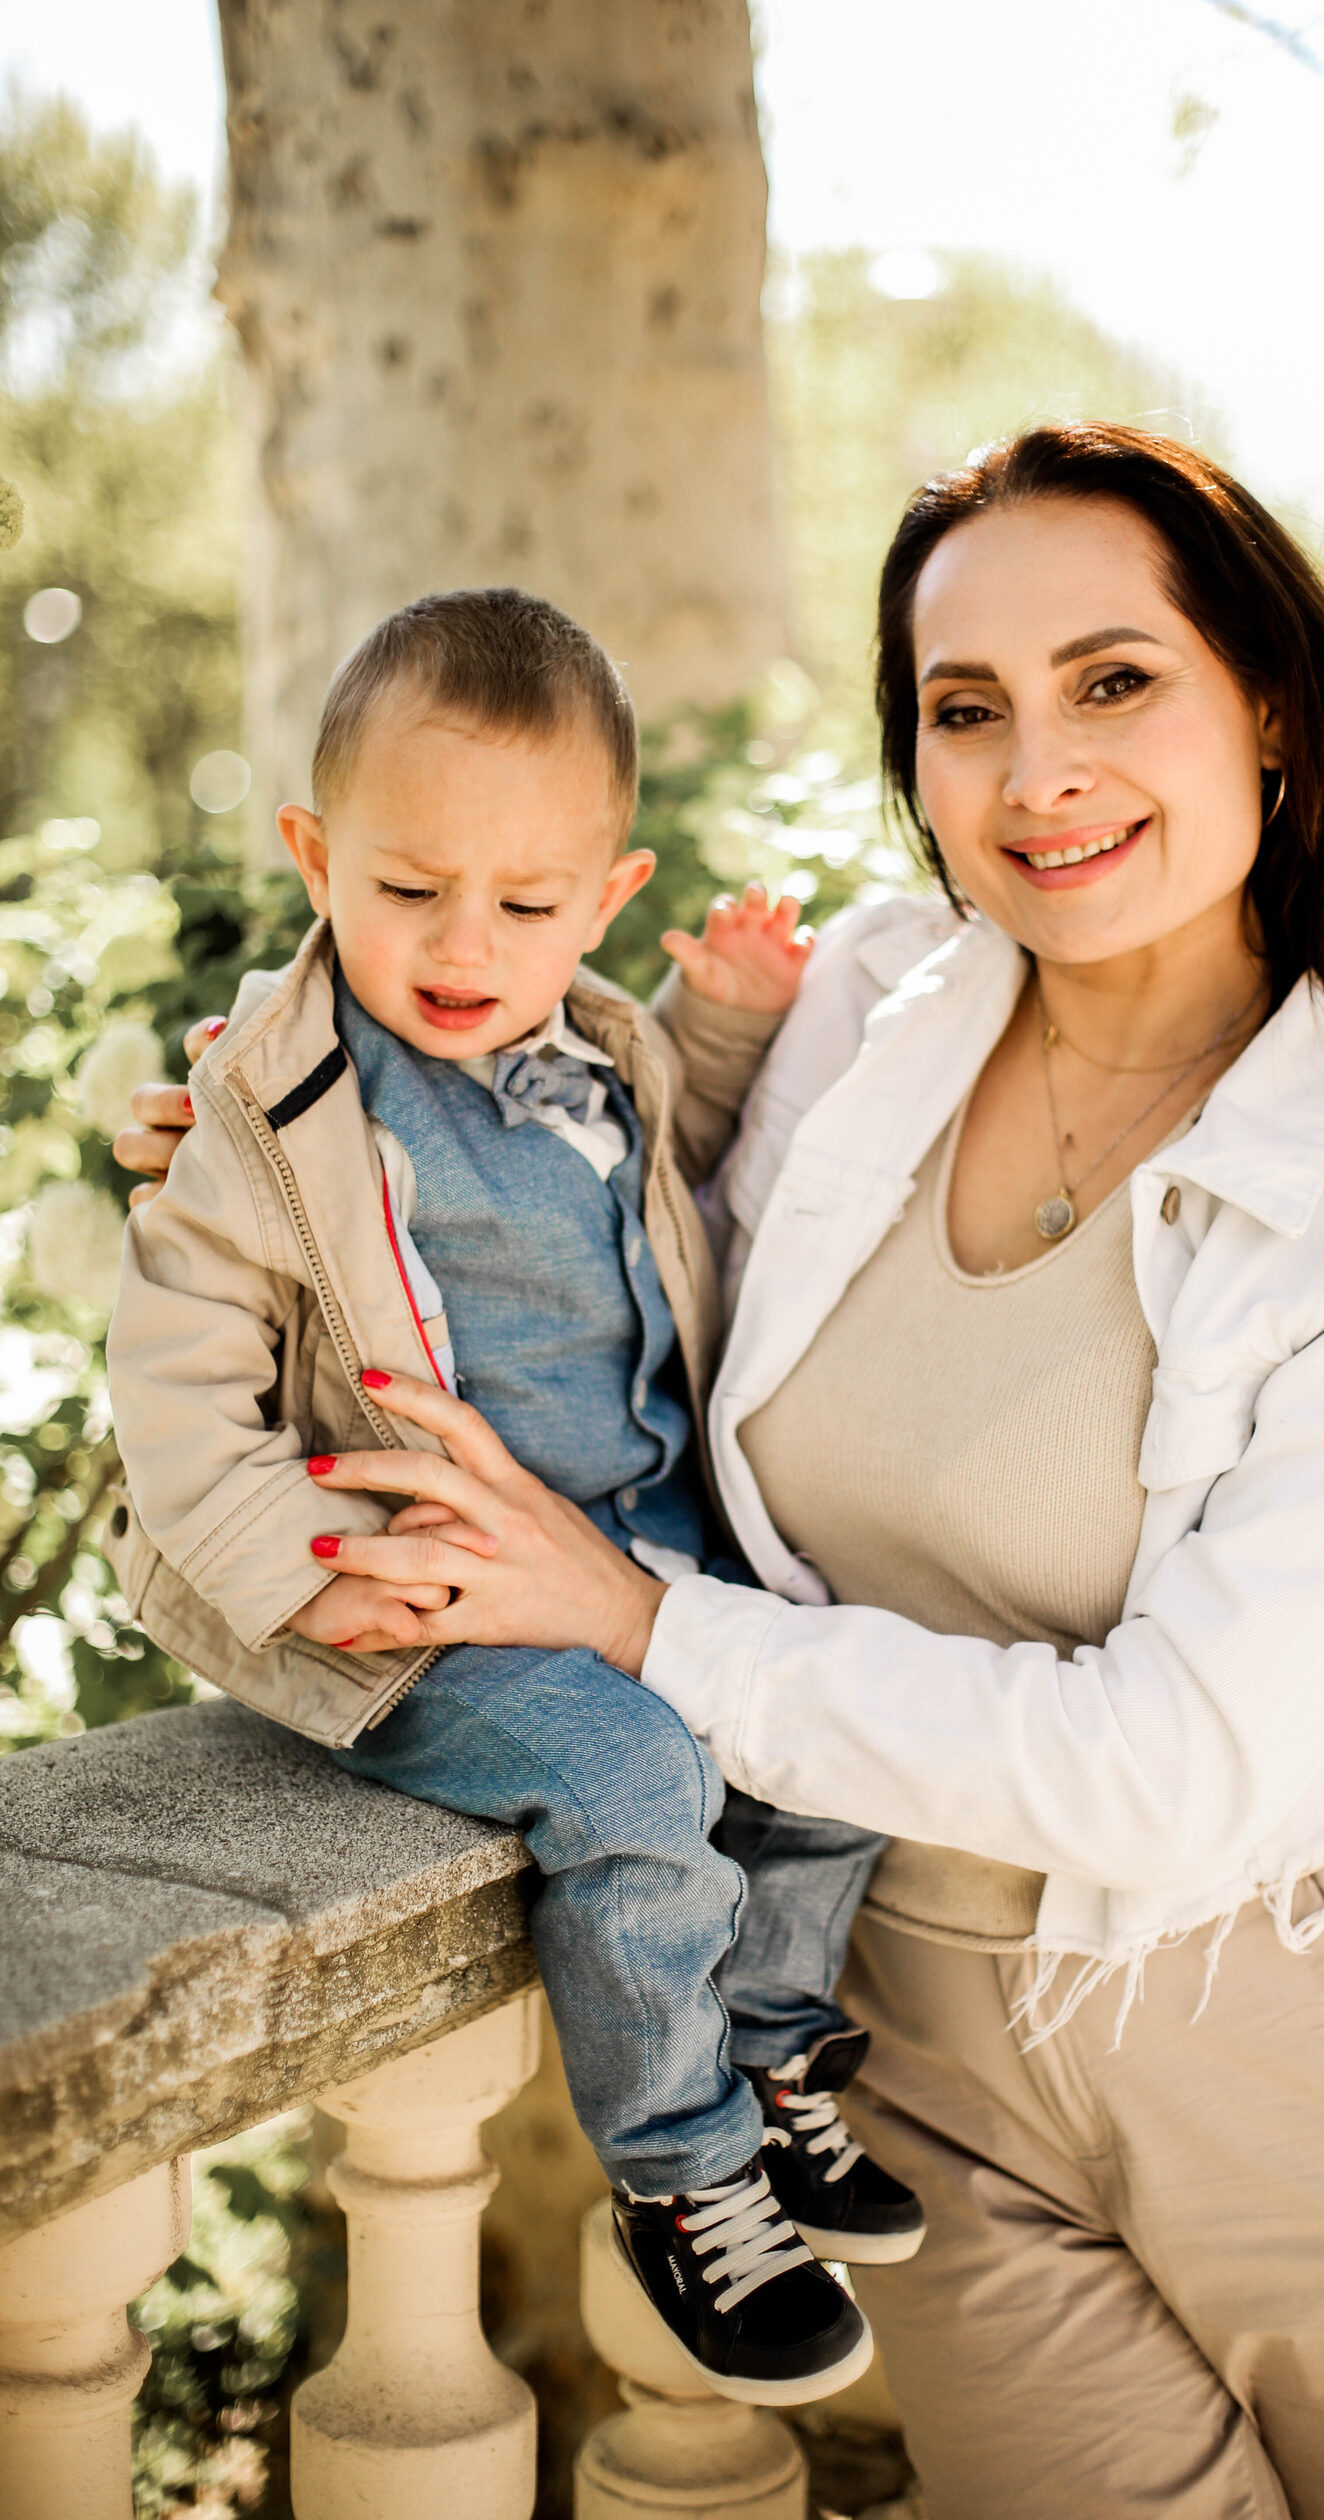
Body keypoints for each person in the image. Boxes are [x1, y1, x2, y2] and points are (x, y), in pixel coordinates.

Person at [127, 431, 1324, 2518]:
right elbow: (602, 1224)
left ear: (1265, 699)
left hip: (1314, 2040)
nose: (1035, 772)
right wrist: (266, 1146)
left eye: (1114, 682)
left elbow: (1171, 1772)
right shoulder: (877, 1006)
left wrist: (637, 1620)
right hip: (896, 2061)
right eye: (963, 708)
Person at [105, 586, 925, 2413]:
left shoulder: (607, 1050)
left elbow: (673, 1188)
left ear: (608, 900)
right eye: (407, 890)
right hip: (434, 1599)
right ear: (317, 854)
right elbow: (170, 1389)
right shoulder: (276, 1105)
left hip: (639, 1550)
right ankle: (685, 2163)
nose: (466, 941)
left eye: (530, 904)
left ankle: (777, 2053)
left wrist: (720, 1034)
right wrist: (317, 1573)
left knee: (833, 1706)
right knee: (637, 1779)